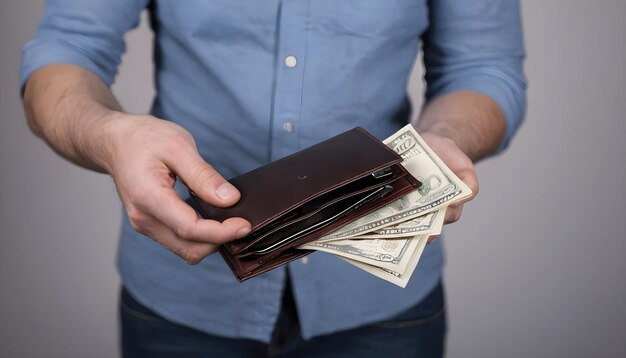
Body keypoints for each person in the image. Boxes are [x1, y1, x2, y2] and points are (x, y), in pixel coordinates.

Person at [21, 0, 526, 356]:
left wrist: (437, 144)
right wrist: (112, 135)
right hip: (181, 301)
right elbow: (67, 50)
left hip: (382, 310)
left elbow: (481, 65)